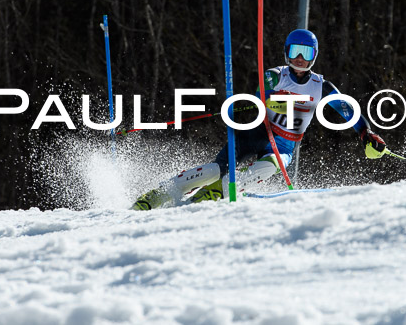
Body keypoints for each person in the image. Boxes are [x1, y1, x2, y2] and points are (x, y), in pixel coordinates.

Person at [131, 29, 388, 210]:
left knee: (269, 167)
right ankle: (158, 194)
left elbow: (348, 110)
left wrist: (367, 133)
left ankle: (213, 195)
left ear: (314, 56)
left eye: (306, 53)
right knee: (214, 170)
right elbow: (260, 96)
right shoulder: (275, 75)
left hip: (285, 143)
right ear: (287, 52)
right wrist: (270, 102)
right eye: (296, 51)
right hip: (256, 134)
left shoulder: (322, 86)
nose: (300, 58)